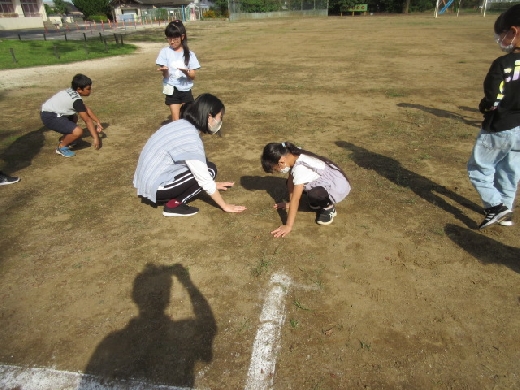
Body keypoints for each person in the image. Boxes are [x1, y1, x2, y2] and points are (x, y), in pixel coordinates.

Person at [133, 93, 246, 217]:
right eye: (220, 117)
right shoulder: (191, 139)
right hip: (157, 187)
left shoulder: (181, 125)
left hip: (147, 179)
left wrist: (213, 184)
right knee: (209, 171)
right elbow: (203, 178)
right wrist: (225, 205)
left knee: (207, 167)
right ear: (209, 117)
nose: (220, 121)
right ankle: (173, 205)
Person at [467, 5, 520, 229]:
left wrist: (485, 106)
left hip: (499, 127)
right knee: (510, 169)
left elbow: (494, 99)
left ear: (514, 32)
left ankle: (495, 207)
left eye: (501, 34)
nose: (500, 39)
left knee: (479, 169)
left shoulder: (502, 64)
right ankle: (506, 211)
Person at [261, 142, 351, 237]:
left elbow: (296, 199)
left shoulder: (300, 169)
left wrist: (288, 225)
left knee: (315, 194)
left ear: (282, 161)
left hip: (336, 186)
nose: (278, 171)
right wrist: (289, 203)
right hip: (321, 181)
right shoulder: (292, 154)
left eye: (276, 169)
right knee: (290, 183)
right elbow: (291, 182)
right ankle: (316, 200)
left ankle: (328, 207)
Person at [40, 73, 103, 158]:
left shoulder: (72, 91)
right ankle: (61, 148)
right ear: (79, 89)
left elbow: (86, 109)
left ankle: (65, 139)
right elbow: (87, 120)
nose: (90, 91)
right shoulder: (76, 100)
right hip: (50, 116)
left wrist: (97, 122)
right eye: (88, 89)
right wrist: (96, 137)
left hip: (49, 112)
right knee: (78, 131)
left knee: (74, 117)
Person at [156, 20, 201, 121]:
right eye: (169, 38)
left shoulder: (190, 54)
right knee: (175, 119)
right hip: (171, 89)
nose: (172, 41)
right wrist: (164, 71)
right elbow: (166, 76)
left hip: (185, 89)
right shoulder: (165, 52)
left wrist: (186, 72)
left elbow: (193, 76)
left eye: (175, 38)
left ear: (182, 37)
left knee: (188, 117)